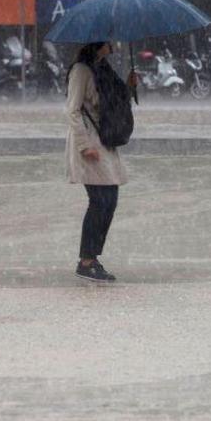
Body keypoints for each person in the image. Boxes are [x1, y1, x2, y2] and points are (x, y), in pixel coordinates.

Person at [65, 42, 138, 282]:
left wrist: (129, 87)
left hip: (104, 139)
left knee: (110, 200)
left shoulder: (102, 67)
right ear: (98, 44)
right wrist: (85, 146)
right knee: (99, 201)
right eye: (108, 41)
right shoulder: (81, 71)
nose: (113, 44)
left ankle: (92, 257)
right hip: (89, 142)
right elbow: (72, 110)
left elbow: (112, 102)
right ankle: (86, 262)